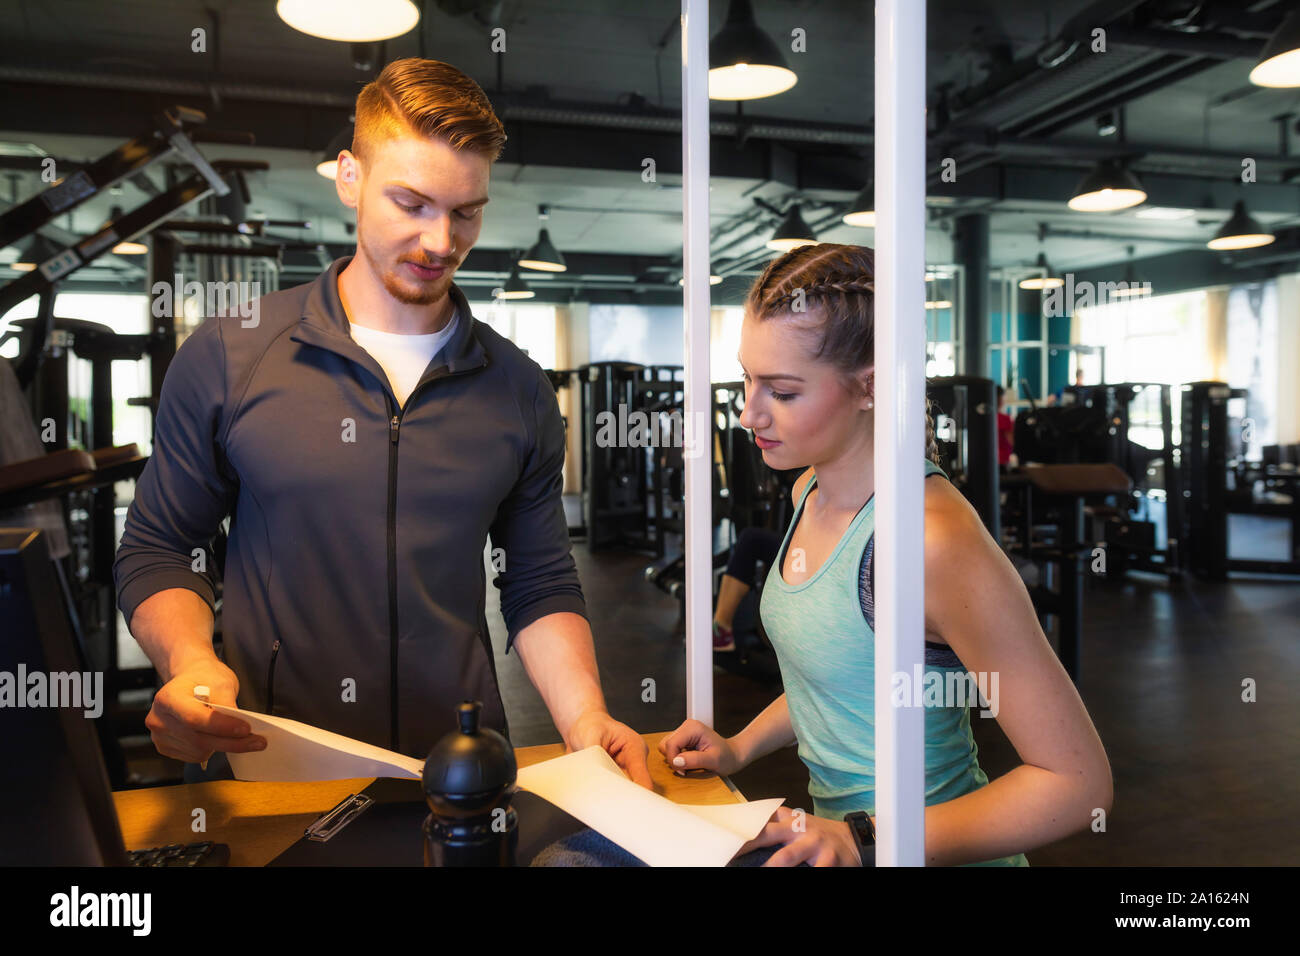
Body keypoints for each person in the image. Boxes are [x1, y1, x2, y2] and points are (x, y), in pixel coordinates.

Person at [113, 58, 651, 788]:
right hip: (267, 766)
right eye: (412, 203)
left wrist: (585, 720)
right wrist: (192, 662)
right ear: (349, 177)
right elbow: (160, 546)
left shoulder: (518, 388)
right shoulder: (230, 353)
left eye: (466, 212)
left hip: (456, 772)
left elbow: (539, 580)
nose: (439, 242)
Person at [660, 243, 1113, 866]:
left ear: (870, 386)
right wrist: (739, 748)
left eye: (782, 391)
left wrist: (863, 837)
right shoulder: (808, 490)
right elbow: (838, 680)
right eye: (747, 377)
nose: (748, 411)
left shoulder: (929, 542)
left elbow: (1078, 786)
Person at [996, 384, 1015, 468]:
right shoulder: (1005, 419)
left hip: (989, 460)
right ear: (1001, 398)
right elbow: (1012, 441)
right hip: (1004, 462)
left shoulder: (984, 419)